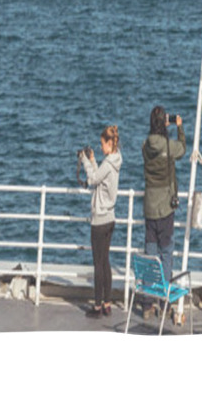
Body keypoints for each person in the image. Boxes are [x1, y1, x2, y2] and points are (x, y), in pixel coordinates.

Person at [141, 105, 186, 318]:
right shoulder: (169, 145)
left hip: (149, 206)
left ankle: (147, 303)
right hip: (166, 207)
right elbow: (183, 149)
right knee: (166, 253)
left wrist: (160, 126)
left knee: (150, 254)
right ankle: (164, 300)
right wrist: (179, 128)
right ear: (164, 123)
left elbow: (151, 146)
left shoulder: (145, 146)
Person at [80, 124, 122, 318]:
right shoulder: (115, 161)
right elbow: (101, 178)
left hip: (99, 220)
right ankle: (107, 303)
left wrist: (85, 161)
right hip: (110, 218)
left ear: (110, 143)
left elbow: (93, 179)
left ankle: (97, 306)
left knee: (98, 264)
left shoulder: (108, 163)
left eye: (102, 143)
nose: (100, 146)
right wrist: (93, 161)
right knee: (105, 262)